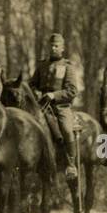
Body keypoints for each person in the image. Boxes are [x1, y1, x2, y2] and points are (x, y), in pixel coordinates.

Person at [31, 32, 79, 183]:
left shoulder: (68, 67)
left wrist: (54, 95)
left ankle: (71, 164)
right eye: (51, 45)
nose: (53, 48)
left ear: (62, 48)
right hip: (41, 105)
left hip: (60, 106)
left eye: (56, 46)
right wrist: (36, 91)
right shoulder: (42, 65)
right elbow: (31, 84)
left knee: (66, 129)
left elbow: (72, 91)